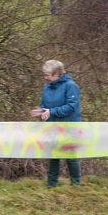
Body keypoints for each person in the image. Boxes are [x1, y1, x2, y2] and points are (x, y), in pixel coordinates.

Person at [29, 60, 81, 188]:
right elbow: (44, 105)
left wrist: (51, 112)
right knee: (53, 155)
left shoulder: (71, 86)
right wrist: (40, 111)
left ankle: (76, 184)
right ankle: (51, 184)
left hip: (68, 126)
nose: (45, 77)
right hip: (52, 127)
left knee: (70, 157)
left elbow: (71, 107)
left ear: (57, 74)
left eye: (47, 75)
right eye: (44, 74)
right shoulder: (46, 86)